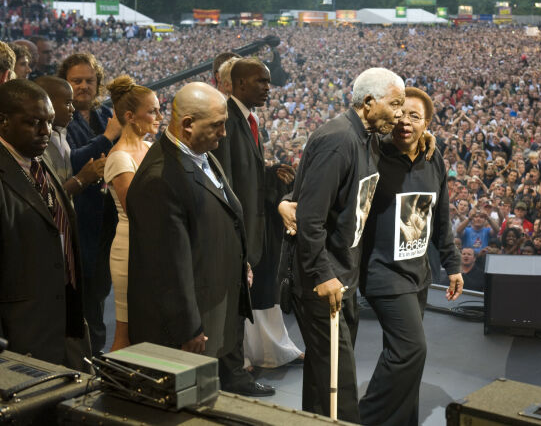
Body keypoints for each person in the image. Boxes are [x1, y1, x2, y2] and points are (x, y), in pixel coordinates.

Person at [286, 67, 404, 421]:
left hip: (343, 274)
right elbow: (310, 217)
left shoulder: (365, 137)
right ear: (369, 102)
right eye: (395, 104)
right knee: (339, 377)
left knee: (326, 372)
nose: (399, 114)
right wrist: (322, 274)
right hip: (323, 279)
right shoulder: (339, 139)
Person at [127, 82, 253, 366]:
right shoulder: (160, 180)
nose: (224, 132)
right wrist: (189, 327)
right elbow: (167, 266)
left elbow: (219, 216)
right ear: (187, 125)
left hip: (212, 303)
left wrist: (239, 261)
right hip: (185, 330)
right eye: (218, 125)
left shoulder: (199, 154)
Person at [358, 87, 463, 426]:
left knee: (403, 355)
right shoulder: (373, 154)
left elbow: (441, 215)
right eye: (400, 113)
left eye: (415, 117)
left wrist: (453, 264)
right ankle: (364, 419)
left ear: (427, 123)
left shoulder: (435, 158)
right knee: (411, 350)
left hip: (417, 274)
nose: (405, 122)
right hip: (381, 271)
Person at [211, 57, 297, 395]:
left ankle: (234, 369)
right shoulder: (228, 120)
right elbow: (227, 181)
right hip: (237, 232)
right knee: (233, 307)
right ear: (238, 83)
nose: (267, 87)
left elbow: (246, 174)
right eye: (261, 81)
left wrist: (269, 174)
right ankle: (233, 376)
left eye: (268, 81)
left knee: (238, 305)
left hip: (250, 229)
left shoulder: (248, 118)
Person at [0, 79, 87, 369]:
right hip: (21, 335)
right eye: (34, 122)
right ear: (3, 122)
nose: (45, 132)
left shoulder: (36, 160)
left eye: (49, 123)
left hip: (63, 324)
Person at [58, 52, 121, 354]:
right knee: (87, 303)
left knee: (99, 293)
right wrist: (107, 138)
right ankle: (88, 361)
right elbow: (71, 161)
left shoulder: (103, 114)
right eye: (76, 81)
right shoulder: (60, 118)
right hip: (80, 224)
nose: (83, 86)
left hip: (108, 221)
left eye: (89, 80)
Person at [103, 76, 163, 351]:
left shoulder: (150, 148)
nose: (159, 116)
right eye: (152, 110)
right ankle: (114, 387)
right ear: (130, 116)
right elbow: (137, 209)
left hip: (153, 245)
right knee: (126, 331)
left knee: (150, 326)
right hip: (130, 249)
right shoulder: (119, 157)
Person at [35, 76, 104, 197]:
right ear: (48, 103)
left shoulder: (61, 134)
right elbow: (48, 199)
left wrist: (90, 174)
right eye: (68, 103)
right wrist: (82, 178)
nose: (72, 109)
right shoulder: (38, 143)